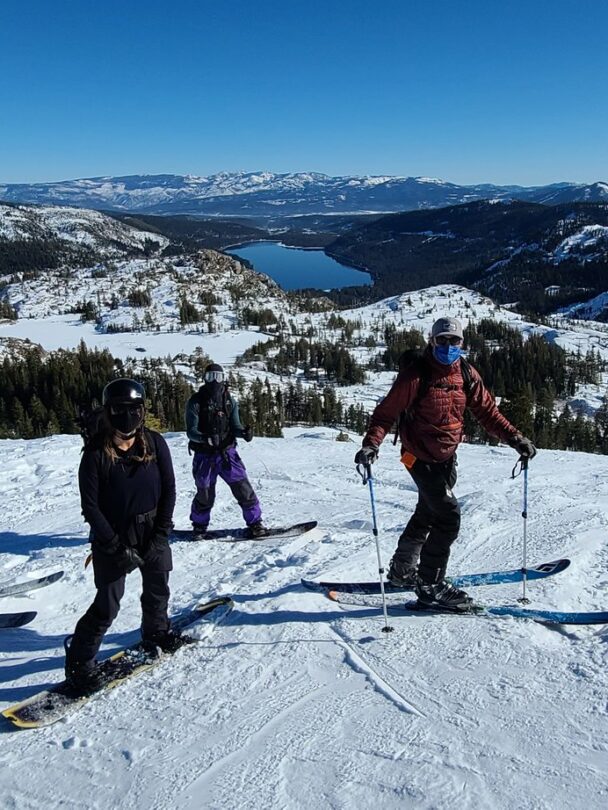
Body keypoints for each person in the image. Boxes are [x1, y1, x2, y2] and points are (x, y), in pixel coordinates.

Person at [355, 317, 536, 609]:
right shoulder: (416, 376)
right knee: (449, 517)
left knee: (428, 512)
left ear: (462, 343)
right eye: (443, 341)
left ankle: (402, 570)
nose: (449, 346)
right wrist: (371, 444)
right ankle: (430, 584)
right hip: (417, 456)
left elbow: (487, 412)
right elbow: (385, 414)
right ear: (432, 341)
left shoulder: (465, 373)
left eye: (455, 341)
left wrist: (515, 438)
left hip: (446, 455)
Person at [65, 378, 181, 692]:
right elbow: (90, 506)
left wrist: (161, 533)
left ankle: (156, 632)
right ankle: (80, 663)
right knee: (107, 604)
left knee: (158, 589)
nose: (127, 416)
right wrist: (115, 546)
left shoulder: (155, 443)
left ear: (142, 412)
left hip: (151, 531)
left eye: (133, 409)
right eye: (119, 409)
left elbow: (169, 490)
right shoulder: (95, 454)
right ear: (108, 412)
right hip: (111, 536)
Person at [185, 363, 267, 538]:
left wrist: (243, 432)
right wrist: (204, 438)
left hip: (227, 454)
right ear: (205, 379)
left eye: (218, 377)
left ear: (224, 379)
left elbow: (235, 426)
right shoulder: (196, 402)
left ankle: (255, 523)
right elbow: (191, 431)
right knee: (205, 494)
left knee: (243, 489)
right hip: (205, 456)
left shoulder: (229, 401)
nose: (215, 381)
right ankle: (199, 526)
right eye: (210, 377)